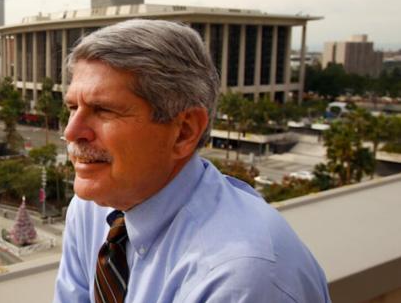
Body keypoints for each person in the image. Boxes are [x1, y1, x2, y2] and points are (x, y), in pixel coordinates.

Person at [54, 20, 330, 303]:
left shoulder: (241, 279)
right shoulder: (91, 212)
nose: (71, 131)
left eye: (103, 110)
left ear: (184, 132)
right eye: (73, 107)